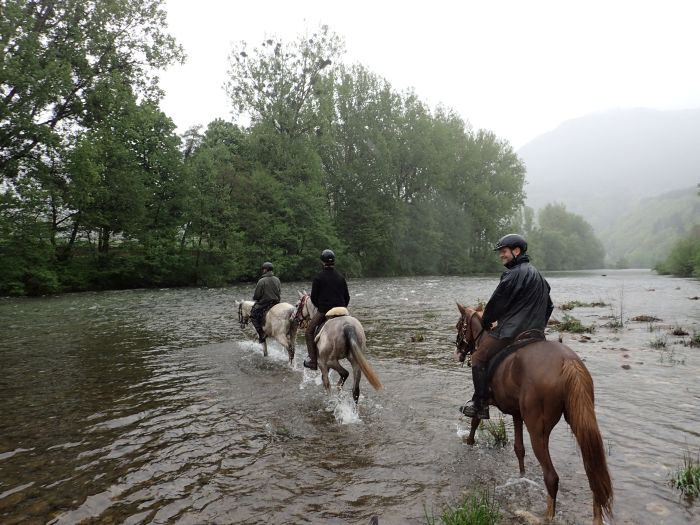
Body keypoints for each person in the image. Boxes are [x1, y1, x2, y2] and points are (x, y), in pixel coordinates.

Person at [459, 233, 554, 419]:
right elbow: (549, 306)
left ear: (516, 251)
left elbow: (495, 305)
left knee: (478, 357)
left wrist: (486, 324)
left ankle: (479, 405)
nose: (501, 255)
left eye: (504, 251)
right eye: (500, 252)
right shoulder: (540, 277)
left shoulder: (512, 275)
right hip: (535, 334)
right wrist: (539, 327)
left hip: (512, 333)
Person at [303, 249, 350, 370]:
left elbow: (313, 298)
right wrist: (342, 307)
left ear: (322, 262)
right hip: (342, 310)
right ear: (333, 261)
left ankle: (313, 361)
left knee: (308, 332)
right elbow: (347, 297)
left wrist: (322, 307)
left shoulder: (318, 277)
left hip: (325, 310)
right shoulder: (340, 276)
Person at [250, 261, 281, 343]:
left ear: (266, 270)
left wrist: (256, 298)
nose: (262, 270)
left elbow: (257, 295)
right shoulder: (277, 279)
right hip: (276, 303)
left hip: (265, 303)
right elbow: (279, 291)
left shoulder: (261, 281)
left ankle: (261, 334)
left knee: (253, 315)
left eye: (263, 269)